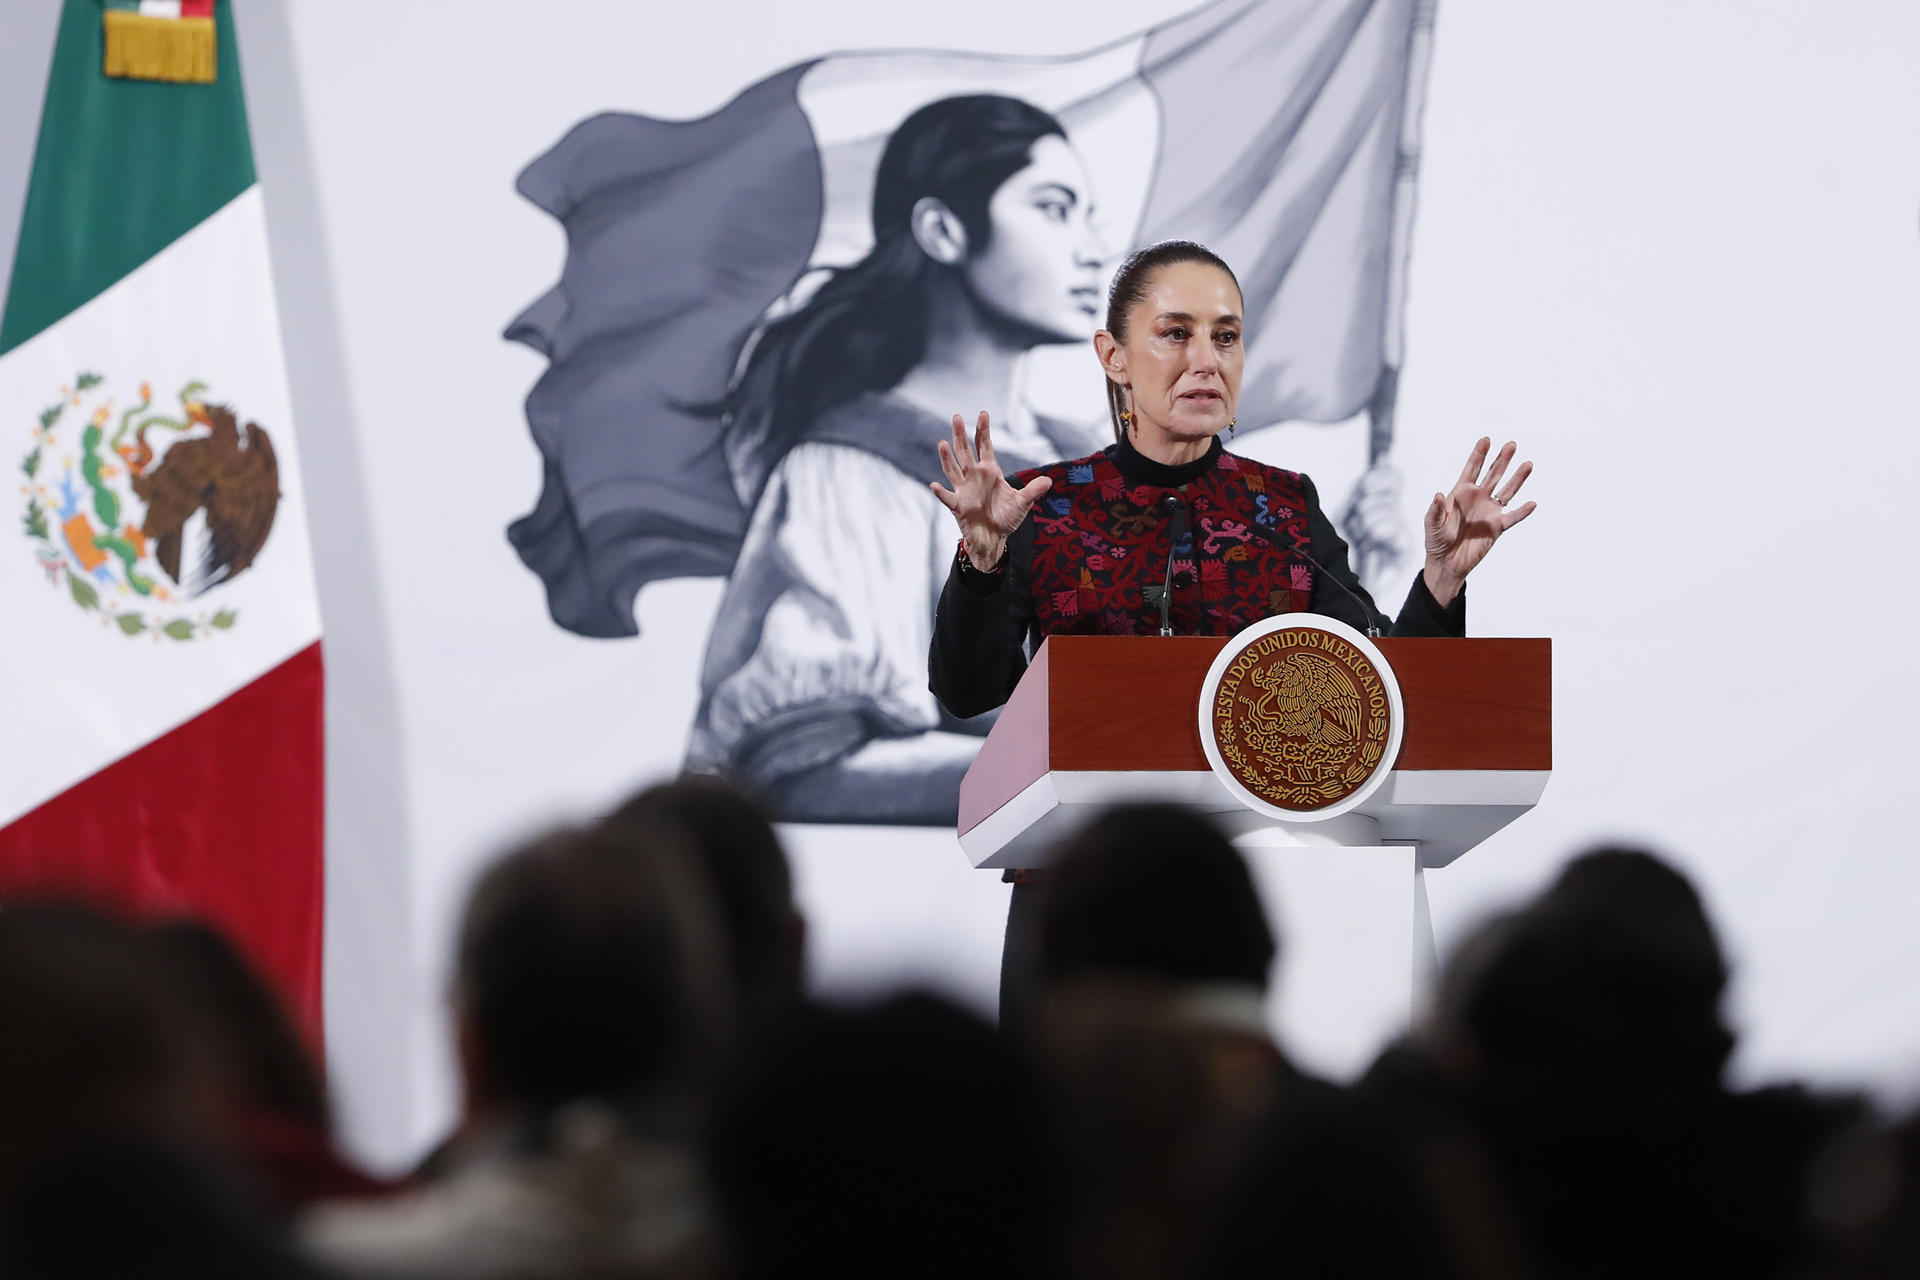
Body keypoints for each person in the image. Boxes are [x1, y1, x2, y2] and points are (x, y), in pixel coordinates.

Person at [685, 93, 1108, 825]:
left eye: (1088, 215)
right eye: (1053, 208)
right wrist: (1092, 791)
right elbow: (805, 766)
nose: (1093, 248)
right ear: (943, 230)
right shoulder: (853, 470)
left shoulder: (1094, 461)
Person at [928, 238, 1537, 718]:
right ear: (1114, 357)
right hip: (1089, 862)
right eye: (1175, 334)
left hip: (1259, 859)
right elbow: (969, 693)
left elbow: (1385, 693)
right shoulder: (1044, 505)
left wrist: (1439, 582)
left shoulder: (1284, 507)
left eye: (1225, 338)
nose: (1206, 361)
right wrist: (982, 566)